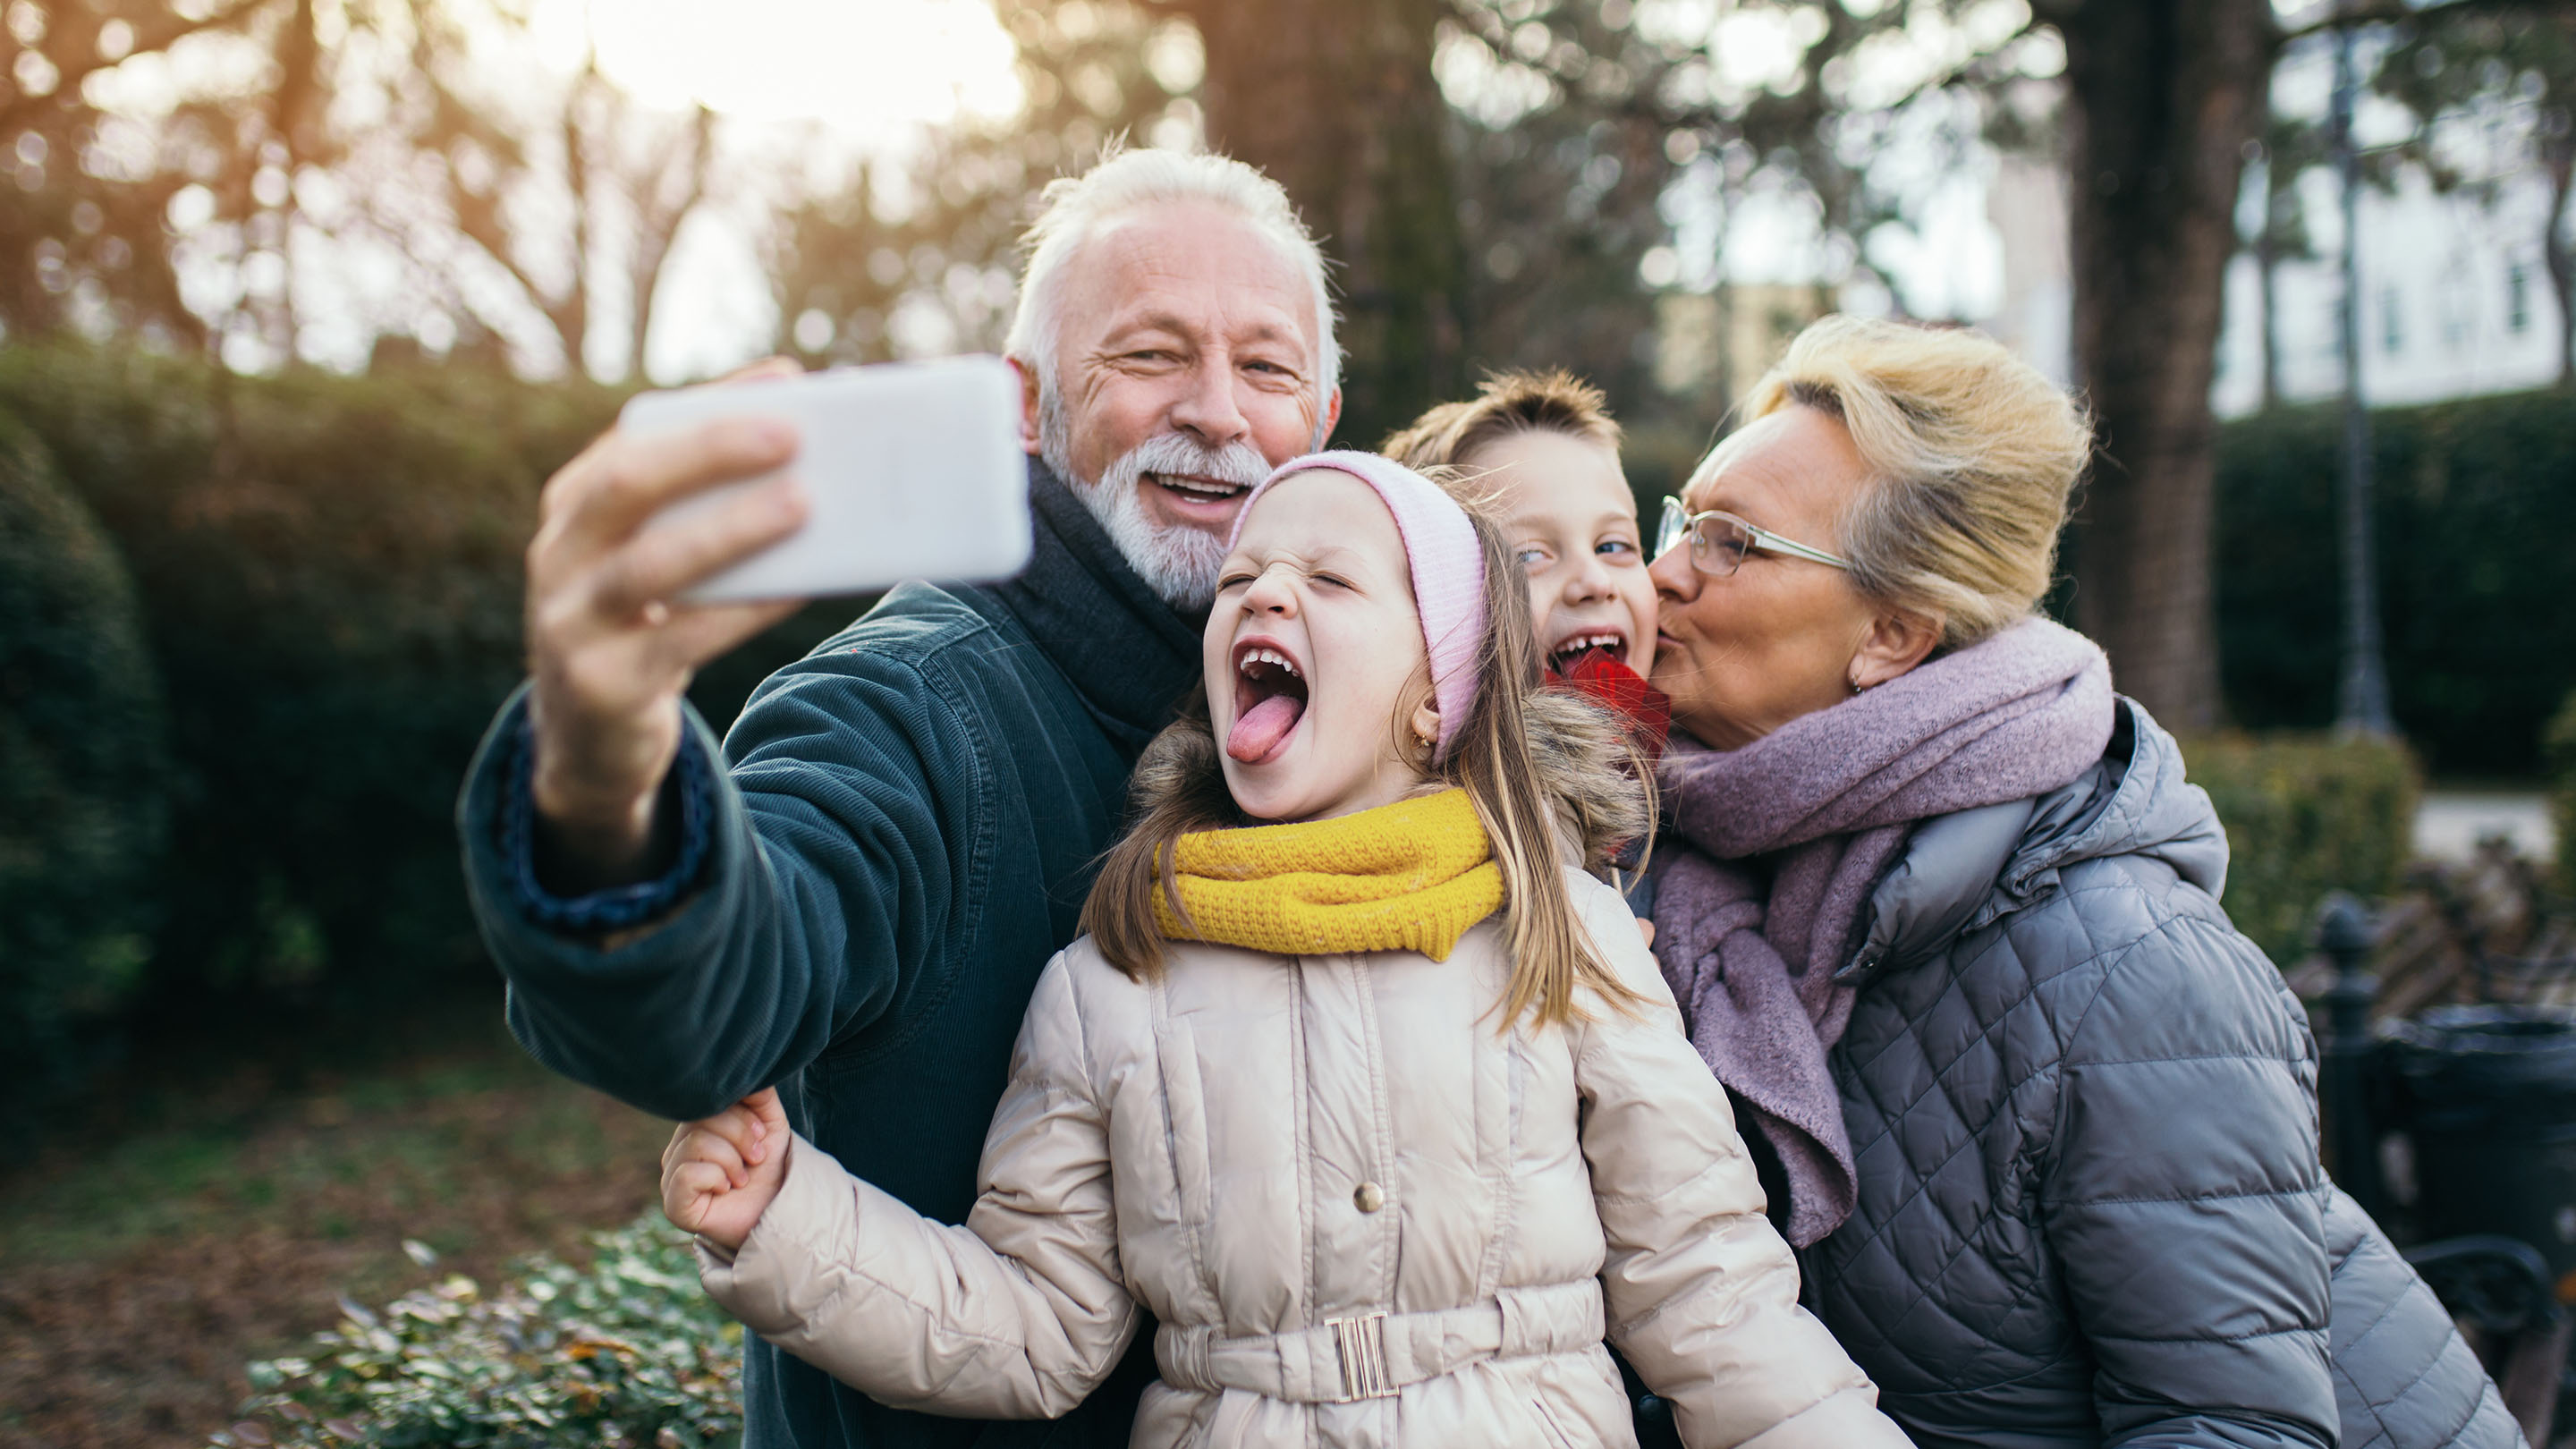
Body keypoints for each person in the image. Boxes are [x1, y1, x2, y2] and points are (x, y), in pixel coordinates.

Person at [658, 453, 1914, 1449]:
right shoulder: (1112, 984)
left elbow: (1703, 1286)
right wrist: (786, 1221)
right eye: (1244, 579)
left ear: (1438, 695)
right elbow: (1041, 1328)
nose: (1265, 593)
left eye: (1331, 580)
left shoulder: (1558, 930)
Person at [453, 148, 1341, 1448]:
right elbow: (713, 1006)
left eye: (1265, 368)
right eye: (1150, 355)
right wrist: (600, 760)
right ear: (1021, 408)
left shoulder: (1372, 713)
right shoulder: (909, 704)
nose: (1216, 412)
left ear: (1319, 421)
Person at [1640, 314, 2519, 1449]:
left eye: (1730, 541)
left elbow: (2232, 1429)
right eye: (1680, 520)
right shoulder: (1707, 868)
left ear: (1894, 635)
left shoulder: (2131, 972)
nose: (1663, 572)